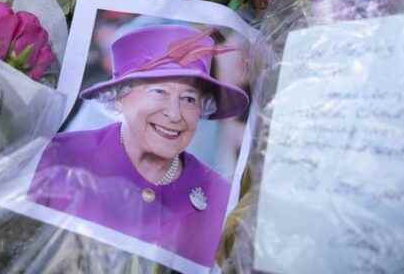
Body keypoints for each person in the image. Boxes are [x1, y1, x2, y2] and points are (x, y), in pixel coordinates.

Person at [27, 25, 249, 267]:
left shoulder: (221, 195)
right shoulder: (61, 156)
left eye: (188, 98)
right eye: (159, 91)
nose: (175, 114)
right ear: (120, 96)